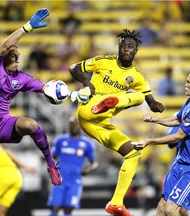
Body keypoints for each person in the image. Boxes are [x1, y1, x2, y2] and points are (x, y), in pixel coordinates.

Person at [0, 8, 62, 196]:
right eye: (13, 56)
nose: (17, 60)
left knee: (32, 125)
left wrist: (74, 96)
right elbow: (7, 43)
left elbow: (46, 88)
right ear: (4, 58)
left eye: (19, 57)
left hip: (3, 124)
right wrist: (27, 28)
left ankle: (51, 165)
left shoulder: (21, 78)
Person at [68, 28, 164, 216]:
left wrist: (155, 105)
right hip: (89, 106)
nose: (127, 49)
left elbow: (149, 99)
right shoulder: (103, 61)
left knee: (134, 154)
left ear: (136, 51)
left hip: (97, 123)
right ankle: (108, 102)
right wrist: (86, 83)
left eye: (131, 47)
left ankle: (116, 203)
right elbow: (73, 68)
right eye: (124, 45)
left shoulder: (137, 75)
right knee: (135, 97)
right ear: (119, 47)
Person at [133, 68, 190, 216]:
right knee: (161, 208)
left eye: (188, 81)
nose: (185, 84)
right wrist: (156, 119)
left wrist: (149, 141)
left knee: (171, 210)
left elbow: (178, 136)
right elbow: (178, 119)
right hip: (181, 162)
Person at [47, 116, 98, 216]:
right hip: (59, 181)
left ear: (81, 126)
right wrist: (50, 168)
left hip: (75, 182)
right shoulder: (60, 140)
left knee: (68, 209)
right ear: (68, 126)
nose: (74, 126)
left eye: (76, 124)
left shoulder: (87, 144)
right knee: (54, 207)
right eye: (72, 124)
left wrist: (89, 169)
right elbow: (52, 157)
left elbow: (94, 163)